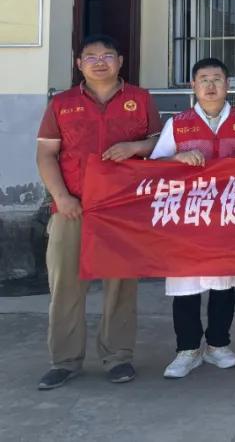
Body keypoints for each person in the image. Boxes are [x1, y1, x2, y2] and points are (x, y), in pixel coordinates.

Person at [35, 34, 162, 390]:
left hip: (122, 208)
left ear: (120, 61)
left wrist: (136, 147)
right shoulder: (62, 104)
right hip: (72, 208)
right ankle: (64, 360)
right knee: (66, 285)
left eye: (108, 55)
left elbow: (159, 144)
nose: (100, 61)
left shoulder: (141, 99)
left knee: (121, 284)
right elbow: (46, 155)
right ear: (79, 64)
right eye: (91, 56)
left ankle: (117, 356)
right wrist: (62, 197)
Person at [150, 58, 235, 379]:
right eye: (203, 79)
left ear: (228, 85)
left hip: (229, 215)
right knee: (186, 284)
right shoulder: (177, 124)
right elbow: (154, 165)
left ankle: (218, 344)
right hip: (188, 216)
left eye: (217, 79)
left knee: (224, 283)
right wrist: (176, 158)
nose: (210, 85)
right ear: (192, 85)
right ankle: (188, 349)